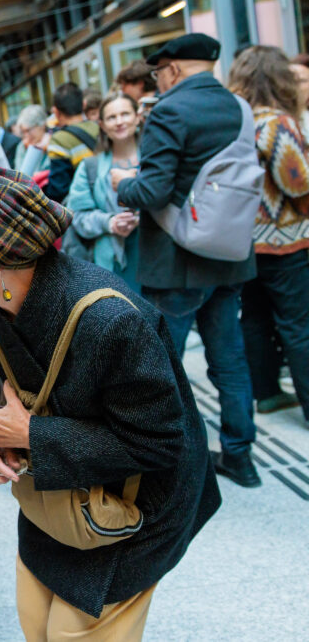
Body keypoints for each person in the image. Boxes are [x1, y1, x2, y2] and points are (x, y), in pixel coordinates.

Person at [0, 164, 219, 641]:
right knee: (35, 624)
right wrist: (3, 441)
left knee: (70, 634)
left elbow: (162, 445)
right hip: (60, 498)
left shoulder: (111, 319)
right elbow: (13, 386)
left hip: (137, 508)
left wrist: (30, 435)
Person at [114, 33, 260, 488]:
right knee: (230, 362)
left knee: (163, 367)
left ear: (172, 69)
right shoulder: (240, 107)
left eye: (158, 73)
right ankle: (240, 457)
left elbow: (153, 191)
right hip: (229, 255)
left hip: (178, 263)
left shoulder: (169, 111)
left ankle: (172, 465)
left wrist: (122, 182)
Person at [228, 46, 309, 425]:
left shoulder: (235, 122)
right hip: (285, 240)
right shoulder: (278, 123)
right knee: (299, 325)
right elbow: (297, 184)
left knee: (256, 318)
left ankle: (267, 393)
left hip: (244, 242)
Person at [63, 92, 141, 290]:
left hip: (156, 258)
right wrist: (110, 222)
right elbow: (78, 215)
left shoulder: (156, 159)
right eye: (111, 117)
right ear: (103, 125)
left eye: (125, 114)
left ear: (137, 117)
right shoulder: (91, 167)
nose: (119, 122)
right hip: (111, 261)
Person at [46, 82, 100, 202]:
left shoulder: (59, 139)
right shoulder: (100, 128)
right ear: (84, 105)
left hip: (83, 203)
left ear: (55, 112)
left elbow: (58, 188)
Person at [14, 104, 51, 177]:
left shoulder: (52, 143)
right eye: (23, 132)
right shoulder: (22, 146)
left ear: (42, 125)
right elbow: (18, 174)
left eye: (28, 130)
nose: (26, 135)